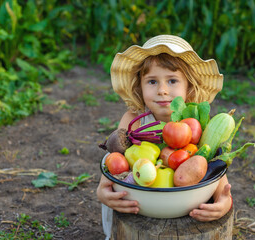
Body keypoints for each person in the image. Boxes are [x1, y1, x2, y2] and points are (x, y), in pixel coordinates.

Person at [97, 35, 233, 239]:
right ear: (139, 86)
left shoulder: (195, 125)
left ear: (188, 87)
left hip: (184, 208)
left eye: (172, 80)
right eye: (152, 81)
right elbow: (113, 164)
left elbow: (214, 170)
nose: (162, 90)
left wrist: (225, 202)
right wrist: (102, 192)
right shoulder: (132, 120)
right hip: (138, 203)